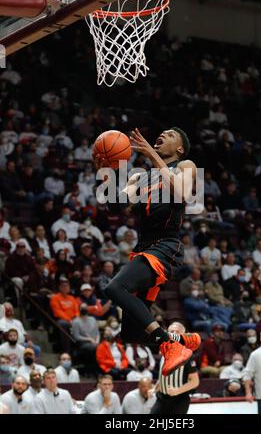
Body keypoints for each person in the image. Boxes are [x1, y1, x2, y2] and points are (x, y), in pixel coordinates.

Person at [94, 127, 201, 376]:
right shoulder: (141, 177)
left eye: (170, 135)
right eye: (162, 133)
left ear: (180, 149)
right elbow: (116, 205)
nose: (162, 135)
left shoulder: (186, 165)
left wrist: (153, 155)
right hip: (144, 248)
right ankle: (183, 342)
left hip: (166, 247)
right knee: (130, 333)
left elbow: (182, 193)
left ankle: (168, 345)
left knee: (114, 288)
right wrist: (105, 171)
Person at [150, 322, 199, 414]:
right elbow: (163, 375)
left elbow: (195, 382)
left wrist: (177, 391)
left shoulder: (187, 355)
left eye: (177, 332)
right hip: (161, 398)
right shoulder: (164, 352)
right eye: (171, 331)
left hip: (179, 399)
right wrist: (155, 388)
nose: (174, 333)